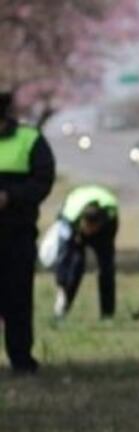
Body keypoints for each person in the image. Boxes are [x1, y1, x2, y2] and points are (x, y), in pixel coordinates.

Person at [0, 90, 56, 374]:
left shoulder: (30, 139)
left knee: (17, 300)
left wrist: (10, 196)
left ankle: (21, 360)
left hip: (16, 234)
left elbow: (43, 181)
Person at [52, 185, 119, 320]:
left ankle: (107, 314)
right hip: (75, 208)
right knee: (75, 265)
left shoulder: (110, 217)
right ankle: (63, 308)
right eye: (87, 228)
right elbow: (63, 256)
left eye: (93, 229)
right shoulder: (70, 217)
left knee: (107, 269)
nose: (89, 232)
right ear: (82, 222)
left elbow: (108, 248)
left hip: (104, 213)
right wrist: (61, 283)